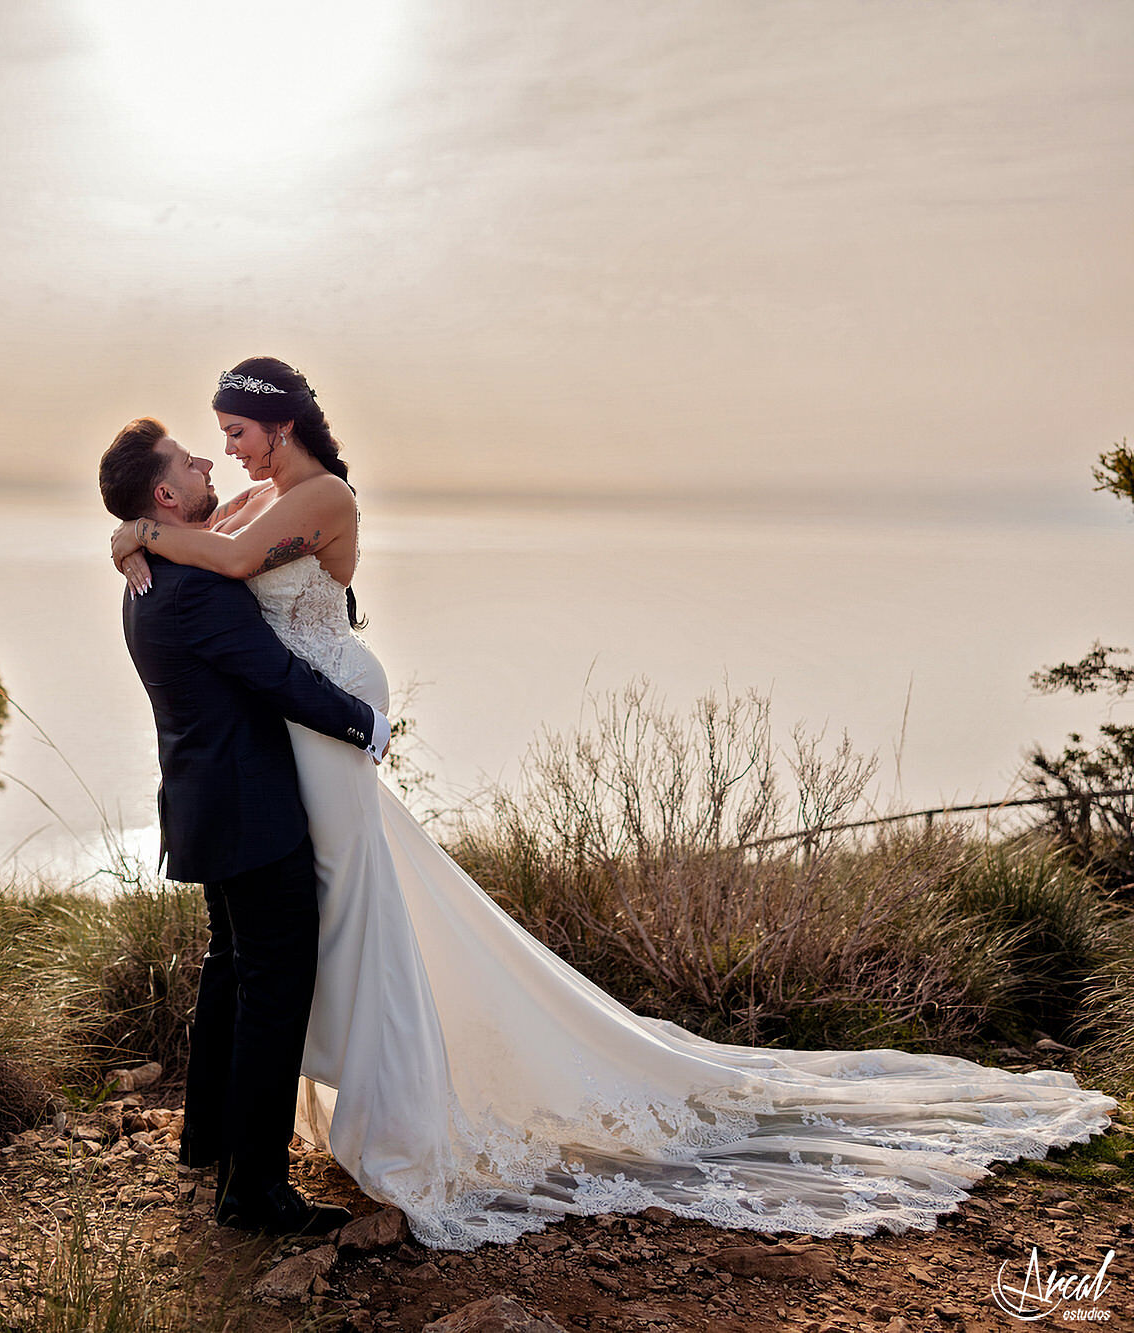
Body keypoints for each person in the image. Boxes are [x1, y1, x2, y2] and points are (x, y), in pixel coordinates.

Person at [106, 355, 1123, 1250]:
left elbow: (227, 561)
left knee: (330, 917)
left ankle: (362, 1118)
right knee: (302, 933)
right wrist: (141, 532)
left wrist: (141, 531)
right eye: (210, 444)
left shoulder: (319, 495)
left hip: (324, 721)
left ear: (277, 423)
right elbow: (216, 549)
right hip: (293, 744)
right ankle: (281, 1136)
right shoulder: (246, 501)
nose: (224, 452)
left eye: (234, 433)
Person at [98, 416, 391, 1237]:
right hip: (249, 811)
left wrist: (130, 535)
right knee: (274, 986)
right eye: (189, 461)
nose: (207, 461)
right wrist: (364, 723)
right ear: (166, 494)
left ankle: (207, 1139)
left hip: (203, 804)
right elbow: (278, 676)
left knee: (229, 968)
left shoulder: (150, 576)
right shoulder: (197, 587)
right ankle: (254, 1189)